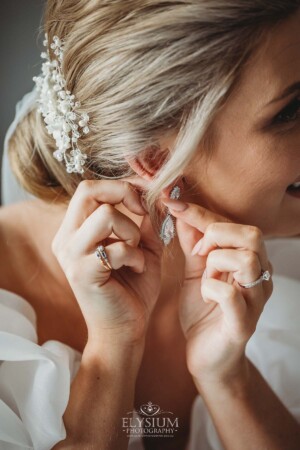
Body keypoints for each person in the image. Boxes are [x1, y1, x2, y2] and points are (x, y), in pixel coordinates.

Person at [1, 1, 300, 449]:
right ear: (157, 161)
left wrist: (227, 375)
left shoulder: (273, 256)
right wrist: (112, 348)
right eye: (290, 111)